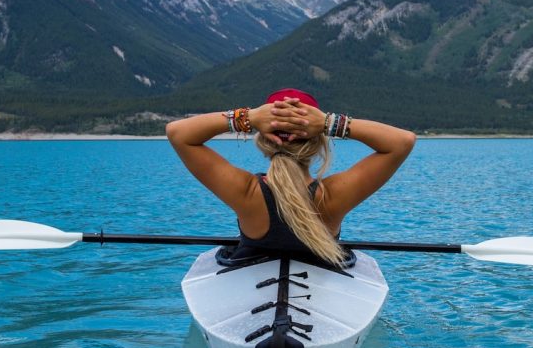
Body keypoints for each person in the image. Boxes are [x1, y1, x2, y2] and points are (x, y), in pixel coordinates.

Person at [166, 88, 416, 267]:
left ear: (263, 139)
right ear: (319, 141)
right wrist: (330, 122)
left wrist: (248, 117)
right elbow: (402, 141)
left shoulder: (245, 192)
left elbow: (178, 133)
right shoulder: (332, 196)